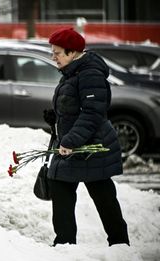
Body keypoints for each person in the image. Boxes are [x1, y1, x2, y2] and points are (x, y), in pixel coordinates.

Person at [45, 27, 130, 246]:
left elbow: (93, 113)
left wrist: (71, 139)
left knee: (103, 197)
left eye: (57, 53)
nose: (53, 57)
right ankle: (64, 246)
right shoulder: (72, 72)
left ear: (72, 52)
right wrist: (56, 117)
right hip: (75, 146)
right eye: (52, 52)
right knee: (60, 187)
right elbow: (75, 105)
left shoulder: (90, 74)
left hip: (92, 147)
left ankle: (120, 246)